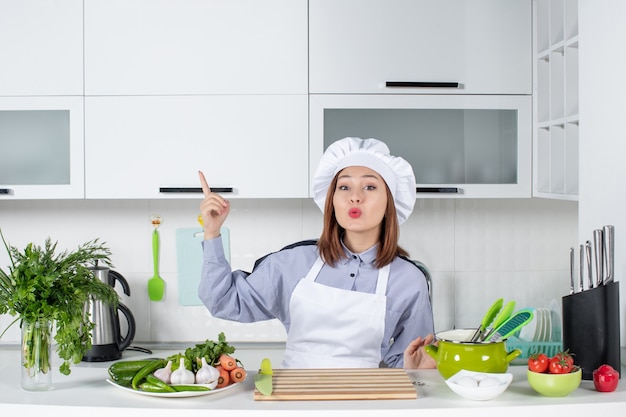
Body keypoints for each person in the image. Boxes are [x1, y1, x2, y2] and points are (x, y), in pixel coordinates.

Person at [198, 137, 436, 369]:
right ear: (332, 200)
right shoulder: (292, 263)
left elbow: (407, 362)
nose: (355, 196)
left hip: (364, 403)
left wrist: (417, 366)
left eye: (370, 186)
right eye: (344, 186)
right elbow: (224, 301)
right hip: (295, 403)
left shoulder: (409, 280)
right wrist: (212, 232)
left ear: (389, 204)